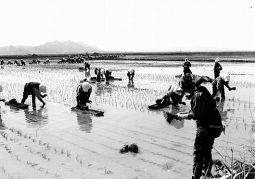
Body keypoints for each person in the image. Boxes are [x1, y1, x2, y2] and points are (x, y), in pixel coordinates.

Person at [173, 76, 224, 179]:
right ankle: (206, 174)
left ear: (189, 87)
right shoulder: (199, 90)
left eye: (185, 91)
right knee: (206, 150)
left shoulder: (198, 95)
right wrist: (183, 113)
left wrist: (181, 116)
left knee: (198, 152)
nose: (184, 94)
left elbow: (196, 115)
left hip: (208, 127)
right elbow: (198, 111)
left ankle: (196, 176)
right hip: (213, 125)